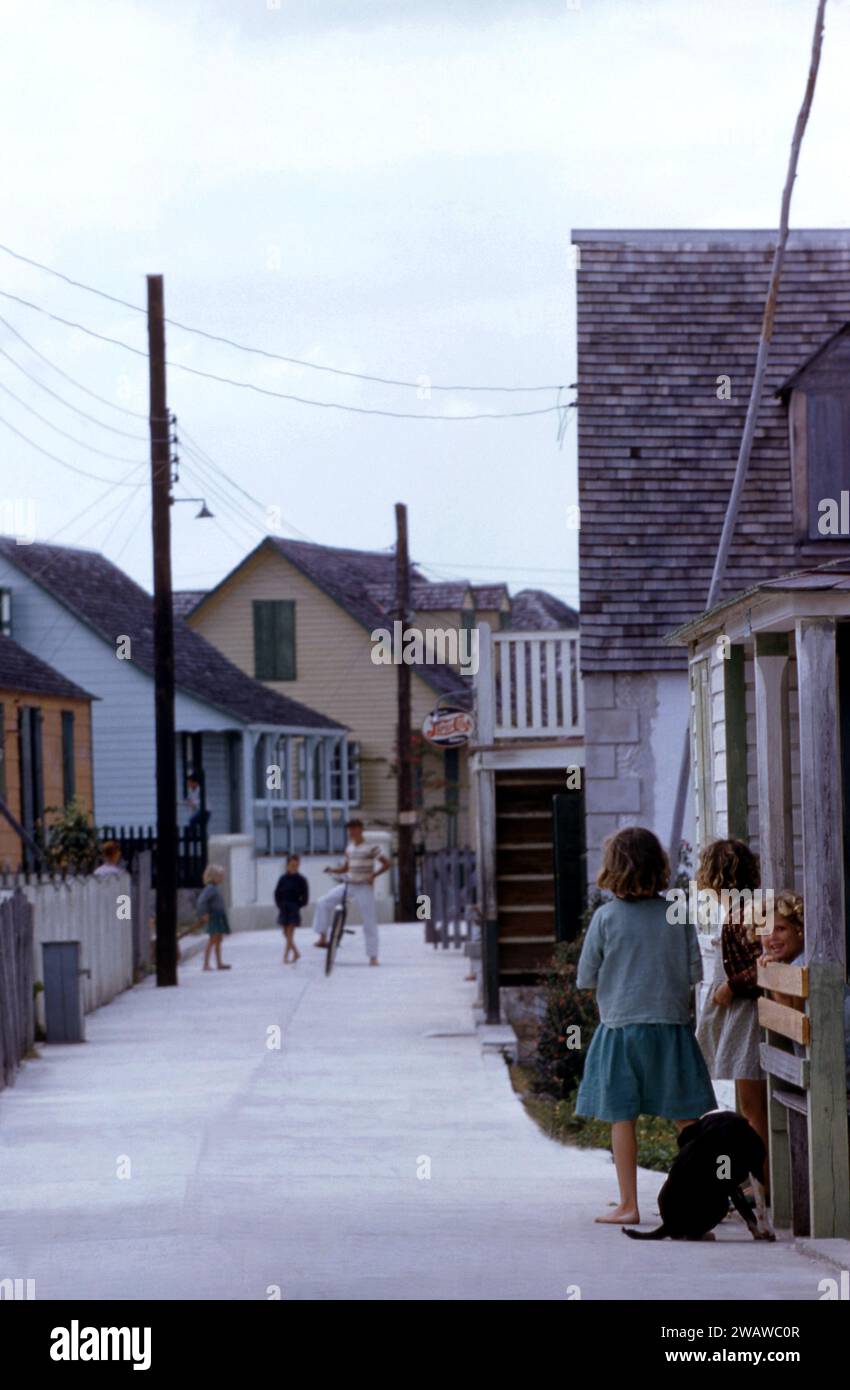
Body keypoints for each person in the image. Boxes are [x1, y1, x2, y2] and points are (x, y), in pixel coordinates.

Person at [575, 826, 715, 1227]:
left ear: (613, 869)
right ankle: (702, 1198)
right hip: (671, 1028)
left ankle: (629, 1204)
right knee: (687, 1119)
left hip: (621, 1029)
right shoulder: (677, 914)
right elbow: (694, 972)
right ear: (659, 866)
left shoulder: (605, 918)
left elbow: (587, 977)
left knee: (623, 1117)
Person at [694, 839, 768, 1154]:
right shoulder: (739, 912)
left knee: (753, 1110)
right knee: (750, 1107)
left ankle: (764, 1183)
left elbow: (764, 966)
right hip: (746, 1019)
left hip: (752, 1019)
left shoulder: (743, 915)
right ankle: (757, 1180)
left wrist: (732, 986)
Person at [313, 819, 390, 966]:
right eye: (349, 830)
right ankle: (323, 937)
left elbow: (387, 863)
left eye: (354, 829)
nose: (351, 832)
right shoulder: (349, 848)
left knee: (369, 921)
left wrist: (374, 875)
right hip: (349, 884)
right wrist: (332, 870)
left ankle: (373, 956)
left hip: (364, 887)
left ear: (361, 829)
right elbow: (346, 868)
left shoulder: (371, 847)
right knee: (323, 902)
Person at [274, 854, 309, 964]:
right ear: (287, 865)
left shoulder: (301, 879)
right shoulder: (282, 878)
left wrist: (299, 905)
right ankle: (296, 952)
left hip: (294, 907)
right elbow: (277, 892)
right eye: (292, 865)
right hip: (284, 907)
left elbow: (305, 895)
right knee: (285, 932)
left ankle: (286, 956)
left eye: (296, 865)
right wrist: (279, 904)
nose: (294, 867)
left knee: (290, 932)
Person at [196, 863, 231, 971]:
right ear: (214, 877)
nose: (222, 878)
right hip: (214, 917)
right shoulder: (210, 888)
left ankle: (219, 963)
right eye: (220, 876)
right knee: (212, 940)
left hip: (219, 917)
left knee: (219, 940)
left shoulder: (215, 888)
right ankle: (206, 964)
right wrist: (204, 913)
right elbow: (201, 901)